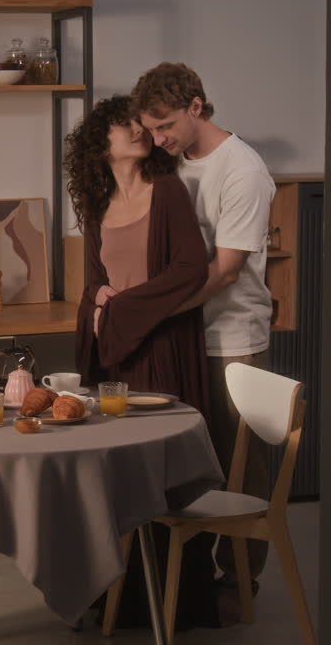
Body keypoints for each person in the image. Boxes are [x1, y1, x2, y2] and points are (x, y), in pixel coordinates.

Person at [131, 62, 277, 621]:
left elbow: (225, 271)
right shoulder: (172, 164)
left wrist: (155, 313)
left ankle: (241, 586)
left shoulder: (242, 170)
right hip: (184, 337)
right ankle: (183, 583)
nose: (160, 138)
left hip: (232, 337)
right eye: (153, 130)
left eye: (166, 125)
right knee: (188, 462)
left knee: (241, 465)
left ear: (196, 106)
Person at [67, 94, 217, 630]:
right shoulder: (98, 201)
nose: (136, 130)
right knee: (115, 477)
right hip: (117, 361)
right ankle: (118, 598)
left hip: (163, 349)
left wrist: (120, 308)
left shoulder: (169, 189)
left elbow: (189, 269)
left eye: (138, 122)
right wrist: (103, 309)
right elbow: (93, 286)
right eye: (122, 124)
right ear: (99, 146)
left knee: (159, 474)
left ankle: (177, 602)